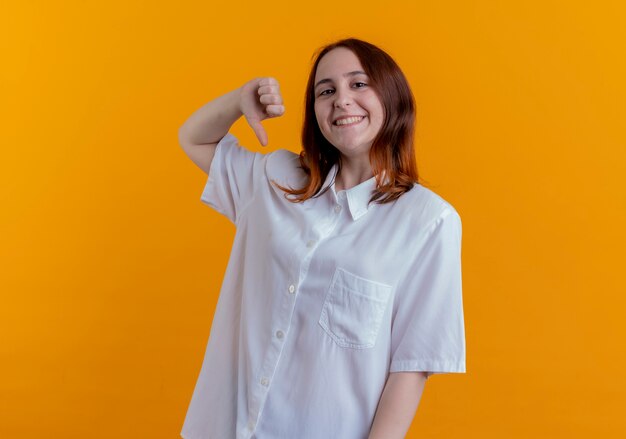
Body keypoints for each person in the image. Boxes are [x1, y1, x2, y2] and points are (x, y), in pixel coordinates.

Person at [178, 38, 466, 439]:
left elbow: (411, 365)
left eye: (359, 84)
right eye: (325, 91)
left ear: (393, 97)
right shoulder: (275, 179)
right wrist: (239, 101)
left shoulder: (429, 221)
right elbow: (194, 138)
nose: (342, 100)